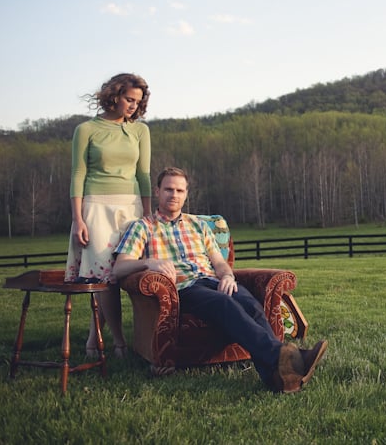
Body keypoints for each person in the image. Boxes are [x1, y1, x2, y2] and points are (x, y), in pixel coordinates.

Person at [113, 167, 328, 393]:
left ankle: (278, 377)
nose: (173, 194)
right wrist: (149, 263)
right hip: (183, 288)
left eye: (179, 190)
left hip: (214, 280)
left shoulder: (198, 225)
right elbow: (119, 268)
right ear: (157, 191)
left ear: (186, 193)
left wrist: (226, 275)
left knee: (251, 306)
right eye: (168, 189)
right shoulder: (143, 227)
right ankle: (291, 358)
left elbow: (218, 261)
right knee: (223, 304)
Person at [64, 73, 152, 359]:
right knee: (106, 277)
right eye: (129, 99)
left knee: (127, 271)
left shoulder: (141, 131)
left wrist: (149, 216)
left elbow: (144, 175)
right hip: (96, 208)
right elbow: (78, 174)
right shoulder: (86, 129)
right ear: (114, 95)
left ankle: (93, 341)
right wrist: (78, 219)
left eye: (137, 102)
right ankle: (119, 343)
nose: (133, 106)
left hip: (132, 208)